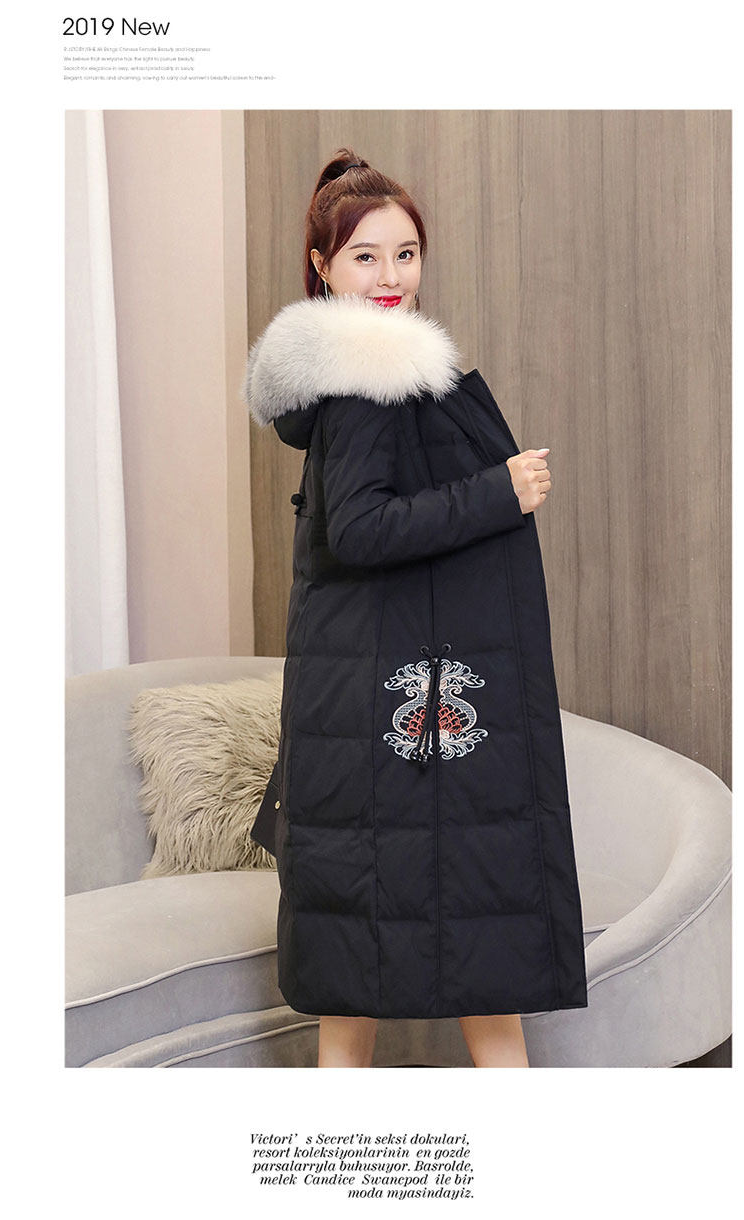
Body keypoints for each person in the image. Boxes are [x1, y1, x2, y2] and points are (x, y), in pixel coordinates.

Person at [245, 148, 588, 1068]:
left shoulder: (364, 369)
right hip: (396, 704)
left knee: (357, 968)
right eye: (364, 257)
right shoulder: (369, 373)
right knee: (474, 956)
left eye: (405, 253)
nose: (390, 276)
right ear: (323, 267)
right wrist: (498, 491)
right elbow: (359, 530)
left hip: (367, 696)